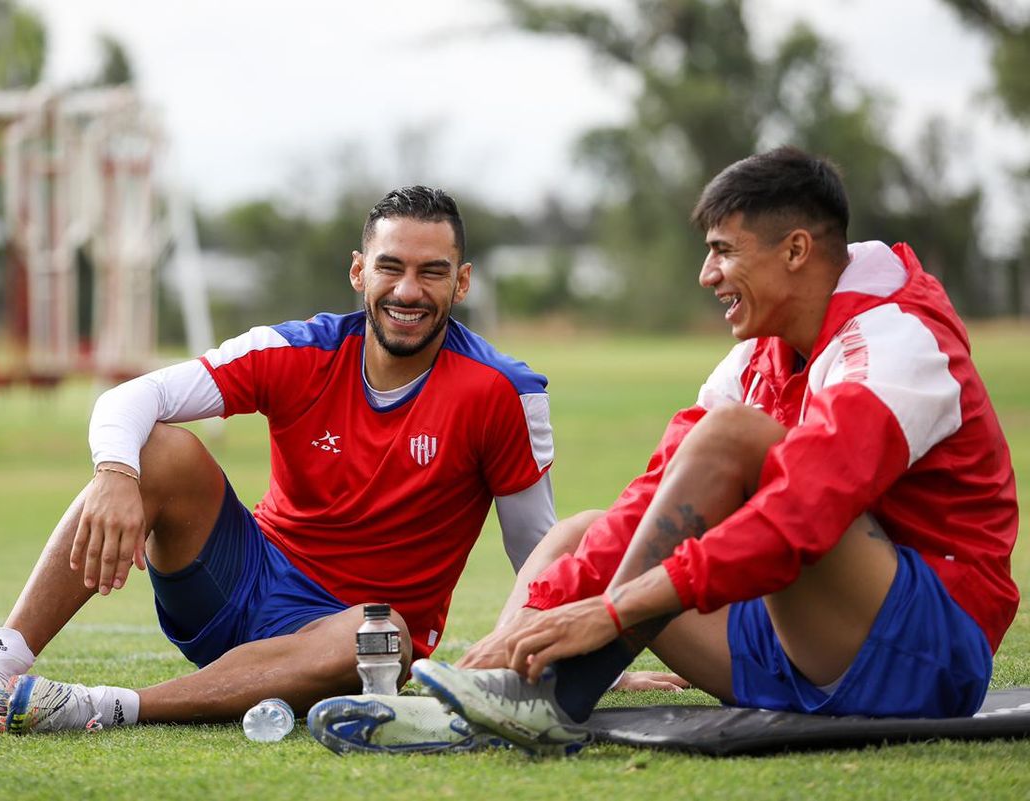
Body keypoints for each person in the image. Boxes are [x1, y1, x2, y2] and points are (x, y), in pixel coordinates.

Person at [396, 147, 1018, 756]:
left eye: (723, 250)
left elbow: (798, 519)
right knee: (584, 533)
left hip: (924, 658)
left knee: (731, 438)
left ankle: (551, 691)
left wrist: (613, 611)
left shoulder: (895, 337)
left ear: (796, 250)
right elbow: (651, 500)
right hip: (794, 651)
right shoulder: (760, 350)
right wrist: (541, 617)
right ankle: (492, 691)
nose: (707, 274)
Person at [0, 185, 574, 734]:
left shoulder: (505, 391)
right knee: (155, 446)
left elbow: (535, 547)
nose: (409, 289)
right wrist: (116, 474)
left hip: (356, 638)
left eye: (432, 271)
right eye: (391, 266)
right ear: (359, 271)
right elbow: (134, 395)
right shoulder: (297, 350)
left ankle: (97, 707)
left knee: (383, 632)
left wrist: (560, 639)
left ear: (461, 281)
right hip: (239, 585)